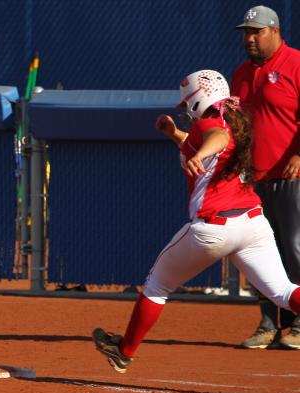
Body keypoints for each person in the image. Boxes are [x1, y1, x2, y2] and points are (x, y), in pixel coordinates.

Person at [92, 69, 300, 373]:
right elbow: (216, 136)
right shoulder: (236, 120)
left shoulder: (211, 127)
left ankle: (124, 352)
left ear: (196, 100)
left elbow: (217, 137)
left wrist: (199, 153)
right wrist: (176, 135)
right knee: (283, 292)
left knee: (157, 285)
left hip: (214, 228)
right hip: (253, 223)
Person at [231, 5, 300, 350]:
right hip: (252, 179)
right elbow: (236, 128)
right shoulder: (241, 74)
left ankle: (299, 323)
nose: (250, 38)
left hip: (291, 175)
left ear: (275, 31)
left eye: (256, 32)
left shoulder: (295, 64)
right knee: (256, 252)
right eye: (246, 32)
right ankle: (268, 324)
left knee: (295, 247)